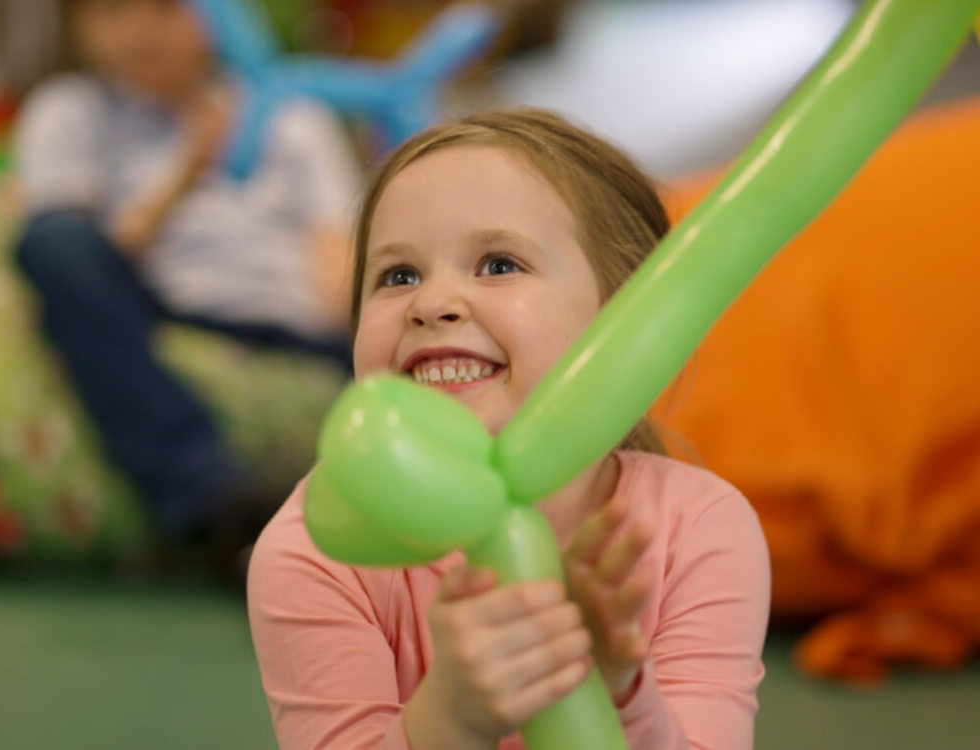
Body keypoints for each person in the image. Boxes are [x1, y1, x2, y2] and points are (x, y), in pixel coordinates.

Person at [247, 109, 770, 748]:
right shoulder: (318, 547)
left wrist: (618, 694)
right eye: (397, 275)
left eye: (498, 264)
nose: (431, 303)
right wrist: (452, 717)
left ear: (627, 321)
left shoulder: (700, 528)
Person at [10, 0, 362, 562]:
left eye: (167, 9)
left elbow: (336, 256)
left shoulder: (290, 114)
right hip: (157, 307)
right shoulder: (69, 110)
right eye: (113, 12)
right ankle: (213, 501)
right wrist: (186, 175)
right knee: (52, 241)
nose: (141, 32)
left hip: (288, 319)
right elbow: (85, 268)